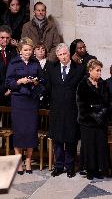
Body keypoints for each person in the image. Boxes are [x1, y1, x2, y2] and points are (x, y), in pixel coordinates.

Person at [5, 37, 45, 175]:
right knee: (19, 131)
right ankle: (18, 162)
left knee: (30, 131)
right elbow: (8, 83)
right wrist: (19, 81)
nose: (28, 52)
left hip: (31, 101)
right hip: (18, 100)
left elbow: (43, 80)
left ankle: (28, 161)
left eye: (30, 49)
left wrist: (36, 82)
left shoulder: (35, 63)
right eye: (26, 50)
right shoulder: (14, 62)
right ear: (19, 50)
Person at [45, 43, 84, 178]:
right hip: (56, 110)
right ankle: (59, 166)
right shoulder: (51, 68)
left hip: (72, 110)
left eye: (65, 54)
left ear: (69, 53)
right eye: (60, 55)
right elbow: (49, 87)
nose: (63, 57)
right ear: (57, 56)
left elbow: (81, 90)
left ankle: (70, 166)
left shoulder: (79, 69)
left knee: (71, 140)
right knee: (57, 140)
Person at [76, 59, 110, 180]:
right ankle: (89, 170)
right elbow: (82, 105)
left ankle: (98, 169)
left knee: (100, 145)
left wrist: (101, 114)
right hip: (87, 122)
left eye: (100, 70)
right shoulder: (83, 84)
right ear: (90, 70)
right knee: (89, 145)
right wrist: (94, 115)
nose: (99, 73)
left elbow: (107, 102)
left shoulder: (103, 84)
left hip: (101, 122)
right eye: (97, 70)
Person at [0, 24, 17, 106]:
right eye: (2, 37)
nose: (5, 40)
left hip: (11, 91)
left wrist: (11, 89)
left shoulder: (13, 51)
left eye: (7, 38)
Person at [34, 42, 49, 108]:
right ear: (34, 52)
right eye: (38, 49)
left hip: (45, 93)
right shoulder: (30, 63)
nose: (41, 51)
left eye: (43, 49)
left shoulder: (49, 64)